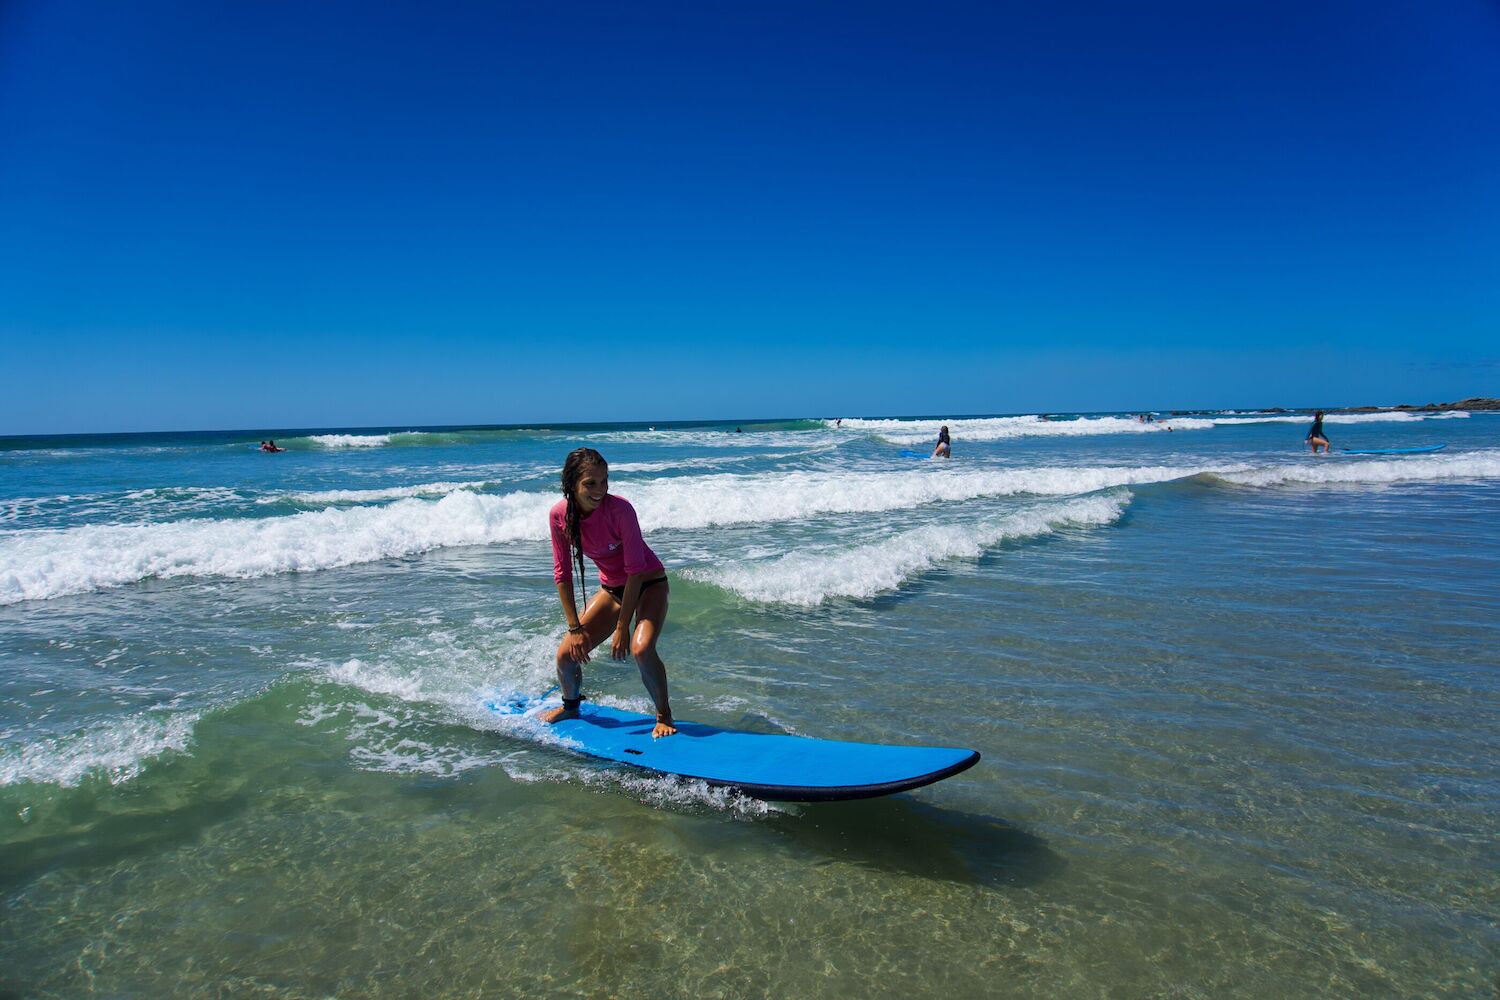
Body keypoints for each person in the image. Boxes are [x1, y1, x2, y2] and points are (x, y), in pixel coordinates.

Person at [541, 448, 676, 737]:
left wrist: (622, 626)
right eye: (590, 483)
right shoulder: (559, 516)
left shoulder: (620, 510)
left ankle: (664, 715)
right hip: (613, 589)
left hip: (648, 583)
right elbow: (562, 575)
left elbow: (635, 571)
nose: (600, 490)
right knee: (566, 655)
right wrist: (575, 628)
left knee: (641, 649)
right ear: (571, 485)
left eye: (604, 481)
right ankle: (571, 706)